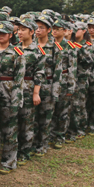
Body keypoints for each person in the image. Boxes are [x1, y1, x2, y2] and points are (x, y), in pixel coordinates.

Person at [0, 21, 25, 174]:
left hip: (8, 93)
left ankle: (8, 161)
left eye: (3, 33)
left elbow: (19, 79)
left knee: (9, 129)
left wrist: (16, 100)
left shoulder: (17, 53)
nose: (0, 36)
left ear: (10, 35)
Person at [14, 17, 45, 166]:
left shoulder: (38, 51)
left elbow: (39, 73)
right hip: (14, 89)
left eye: (23, 30)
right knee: (14, 121)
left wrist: (36, 93)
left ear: (32, 32)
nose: (19, 32)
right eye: (18, 30)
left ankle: (25, 151)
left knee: (27, 122)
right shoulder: (14, 48)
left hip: (28, 88)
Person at [32, 15, 61, 157]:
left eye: (41, 28)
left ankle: (42, 144)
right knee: (32, 118)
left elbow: (58, 71)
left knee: (45, 118)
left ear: (49, 30)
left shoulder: (55, 47)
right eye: (36, 27)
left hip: (48, 86)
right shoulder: (31, 46)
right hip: (32, 86)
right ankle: (31, 143)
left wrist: (55, 92)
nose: (38, 30)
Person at [49, 20, 77, 149]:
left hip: (64, 80)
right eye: (53, 29)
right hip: (51, 81)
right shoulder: (49, 44)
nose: (54, 31)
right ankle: (50, 134)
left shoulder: (70, 46)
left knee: (63, 110)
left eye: (58, 29)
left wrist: (71, 85)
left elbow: (72, 67)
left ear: (65, 31)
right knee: (51, 109)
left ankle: (60, 136)